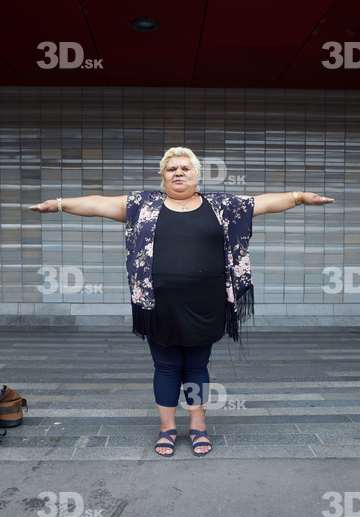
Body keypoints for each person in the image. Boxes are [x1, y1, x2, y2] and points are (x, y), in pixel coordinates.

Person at [29, 147, 335, 457]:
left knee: (197, 366)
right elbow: (98, 203)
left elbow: (264, 202)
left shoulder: (220, 206)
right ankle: (167, 429)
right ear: (162, 176)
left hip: (206, 305)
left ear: (197, 175)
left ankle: (198, 426)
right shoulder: (142, 205)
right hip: (157, 305)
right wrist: (58, 204)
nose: (178, 173)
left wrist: (299, 197)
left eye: (185, 168)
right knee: (165, 366)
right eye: (171, 168)